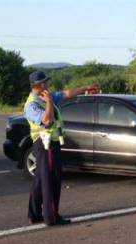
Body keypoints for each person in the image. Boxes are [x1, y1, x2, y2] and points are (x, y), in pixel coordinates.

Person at [24, 70, 99, 226]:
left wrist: (86, 88)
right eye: (44, 83)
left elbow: (66, 93)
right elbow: (46, 120)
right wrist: (50, 102)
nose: (47, 85)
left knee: (40, 179)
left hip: (51, 142)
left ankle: (34, 214)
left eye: (47, 82)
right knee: (51, 180)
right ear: (36, 86)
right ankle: (51, 217)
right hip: (46, 145)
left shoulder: (44, 97)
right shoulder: (32, 104)